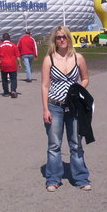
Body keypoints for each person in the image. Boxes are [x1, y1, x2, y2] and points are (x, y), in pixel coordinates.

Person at [41, 26, 91, 192]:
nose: (61, 40)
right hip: (55, 106)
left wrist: (77, 89)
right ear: (54, 40)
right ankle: (53, 178)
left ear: (69, 39)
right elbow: (45, 85)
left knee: (76, 143)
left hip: (74, 107)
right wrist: (45, 109)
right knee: (54, 145)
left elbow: (85, 79)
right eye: (58, 37)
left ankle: (81, 178)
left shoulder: (78, 58)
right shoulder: (49, 59)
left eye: (64, 37)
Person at [0, 33, 22, 98]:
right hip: (12, 64)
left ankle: (6, 92)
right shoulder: (13, 45)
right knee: (13, 78)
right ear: (9, 38)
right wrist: (19, 63)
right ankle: (13, 90)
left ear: (3, 38)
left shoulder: (0, 46)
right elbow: (18, 56)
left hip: (3, 65)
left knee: (4, 79)